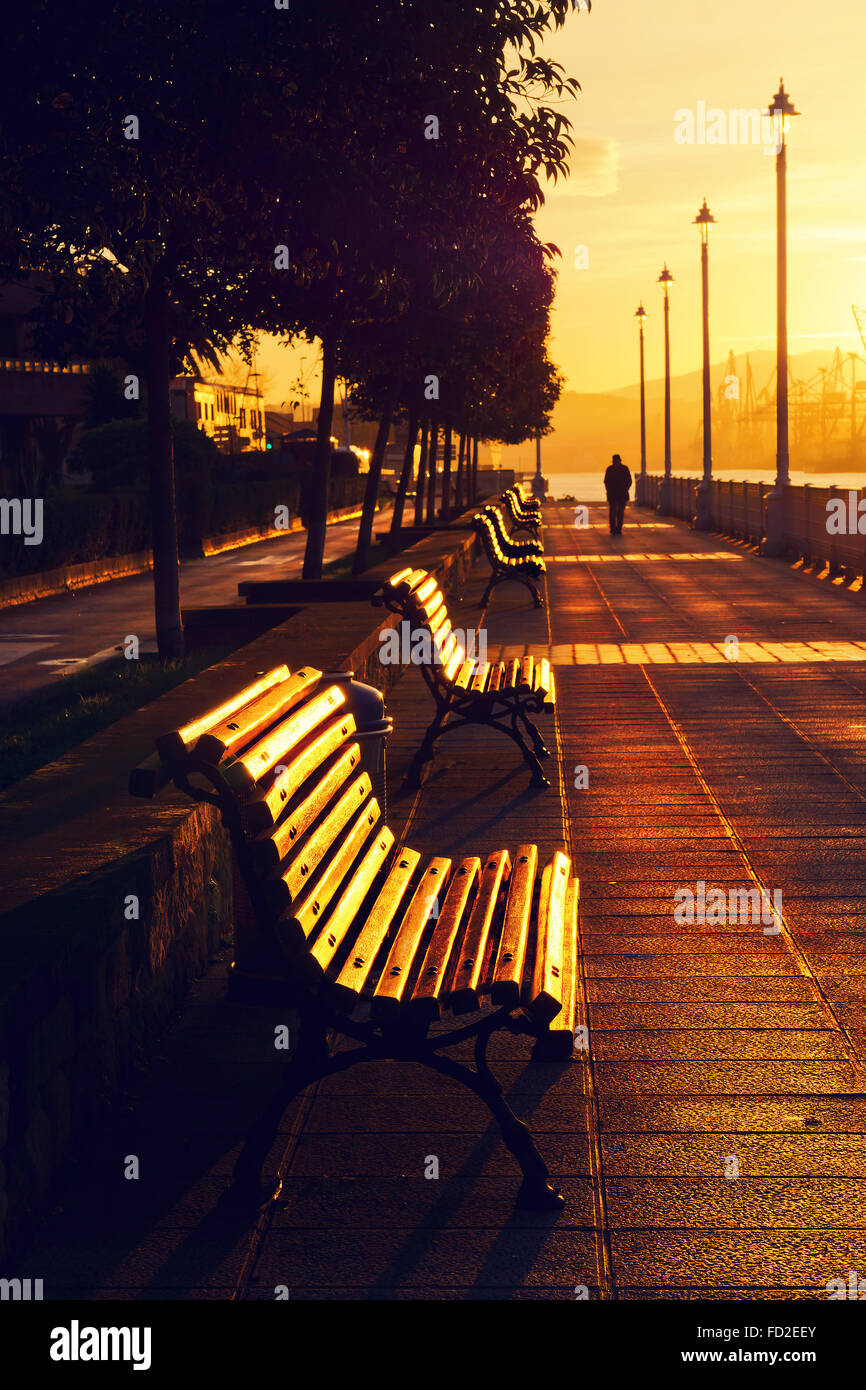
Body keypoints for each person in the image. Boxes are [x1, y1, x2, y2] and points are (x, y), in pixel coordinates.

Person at [604, 453, 632, 535]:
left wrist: (609, 490)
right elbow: (629, 481)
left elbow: (606, 481)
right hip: (619, 493)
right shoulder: (624, 469)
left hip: (616, 493)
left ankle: (615, 528)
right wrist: (625, 489)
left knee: (616, 512)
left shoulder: (610, 469)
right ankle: (616, 528)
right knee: (617, 512)